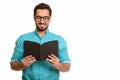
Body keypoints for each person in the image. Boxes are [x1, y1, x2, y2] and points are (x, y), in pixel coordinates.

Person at [10, 3, 71, 80]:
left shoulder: (59, 40)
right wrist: (22, 65)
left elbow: (67, 67)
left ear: (50, 18)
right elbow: (13, 64)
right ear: (34, 17)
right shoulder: (22, 39)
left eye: (45, 18)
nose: (42, 21)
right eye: (38, 17)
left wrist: (58, 65)